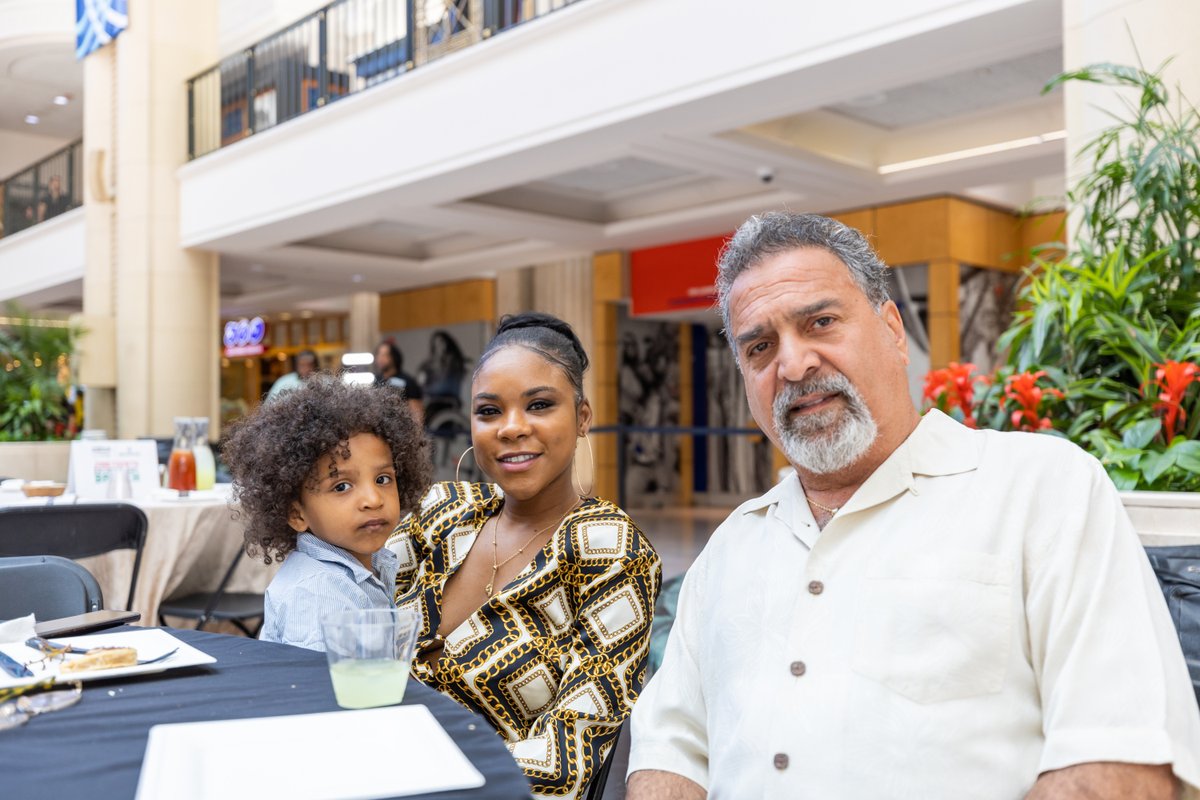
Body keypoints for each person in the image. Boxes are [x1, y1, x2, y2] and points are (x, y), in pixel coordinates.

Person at [626, 212, 1200, 799]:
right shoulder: (730, 548)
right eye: (760, 346)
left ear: (894, 331)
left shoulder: (1042, 490)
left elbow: (1125, 758)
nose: (794, 365)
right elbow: (670, 752)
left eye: (821, 322)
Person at [387, 312, 661, 799]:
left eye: (539, 405)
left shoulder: (610, 550)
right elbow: (347, 615)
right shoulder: (443, 512)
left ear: (582, 417)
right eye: (489, 412)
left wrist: (414, 765)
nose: (511, 428)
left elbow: (566, 764)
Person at [222, 376, 431, 651]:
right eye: (341, 486)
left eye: (382, 479)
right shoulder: (320, 595)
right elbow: (323, 690)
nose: (372, 499)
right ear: (297, 514)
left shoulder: (368, 564)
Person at [374, 339, 425, 420]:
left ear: (393, 357)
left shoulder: (407, 381)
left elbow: (417, 413)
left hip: (400, 427)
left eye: (384, 355)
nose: (380, 359)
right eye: (379, 355)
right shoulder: (376, 380)